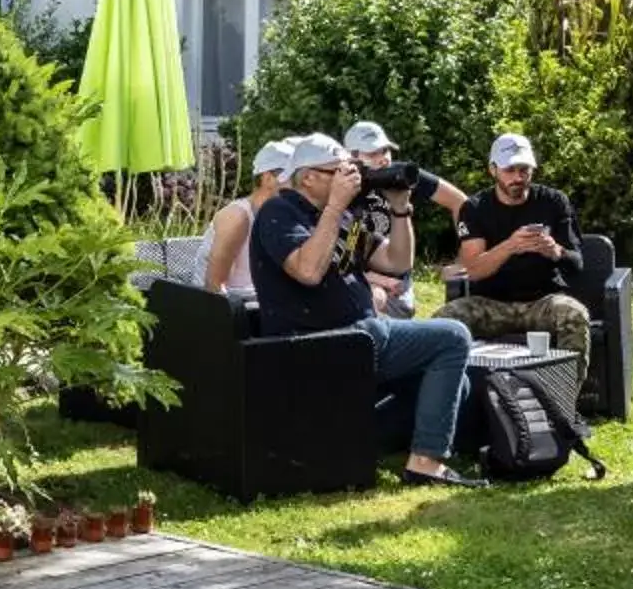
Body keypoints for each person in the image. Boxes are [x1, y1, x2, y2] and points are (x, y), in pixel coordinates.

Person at [249, 134, 480, 488]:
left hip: (360, 336)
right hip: (320, 344)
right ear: (308, 176)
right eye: (339, 172)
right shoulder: (279, 212)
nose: (352, 179)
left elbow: (396, 261)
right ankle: (425, 464)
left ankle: (353, 443)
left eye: (353, 171)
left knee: (457, 383)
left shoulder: (343, 219)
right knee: (453, 336)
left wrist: (400, 208)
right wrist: (335, 207)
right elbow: (308, 270)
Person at [445, 133, 593, 359]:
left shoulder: (553, 201)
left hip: (542, 301)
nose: (518, 177)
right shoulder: (475, 208)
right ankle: (458, 391)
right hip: (490, 303)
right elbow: (473, 270)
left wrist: (556, 252)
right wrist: (510, 246)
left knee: (573, 314)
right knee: (444, 321)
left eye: (524, 170)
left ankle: (566, 390)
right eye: (509, 170)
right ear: (493, 170)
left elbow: (577, 263)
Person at [340, 121, 469, 319]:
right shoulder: (341, 189)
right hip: (356, 278)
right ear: (352, 157)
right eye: (373, 154)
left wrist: (464, 260)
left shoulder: (401, 177)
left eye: (385, 151)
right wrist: (375, 279)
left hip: (398, 278)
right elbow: (339, 260)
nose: (383, 159)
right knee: (374, 299)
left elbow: (460, 203)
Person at [198, 140, 297, 299]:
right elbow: (215, 286)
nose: (299, 186)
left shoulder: (281, 216)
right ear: (268, 178)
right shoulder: (238, 217)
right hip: (231, 310)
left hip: (262, 304)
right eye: (293, 179)